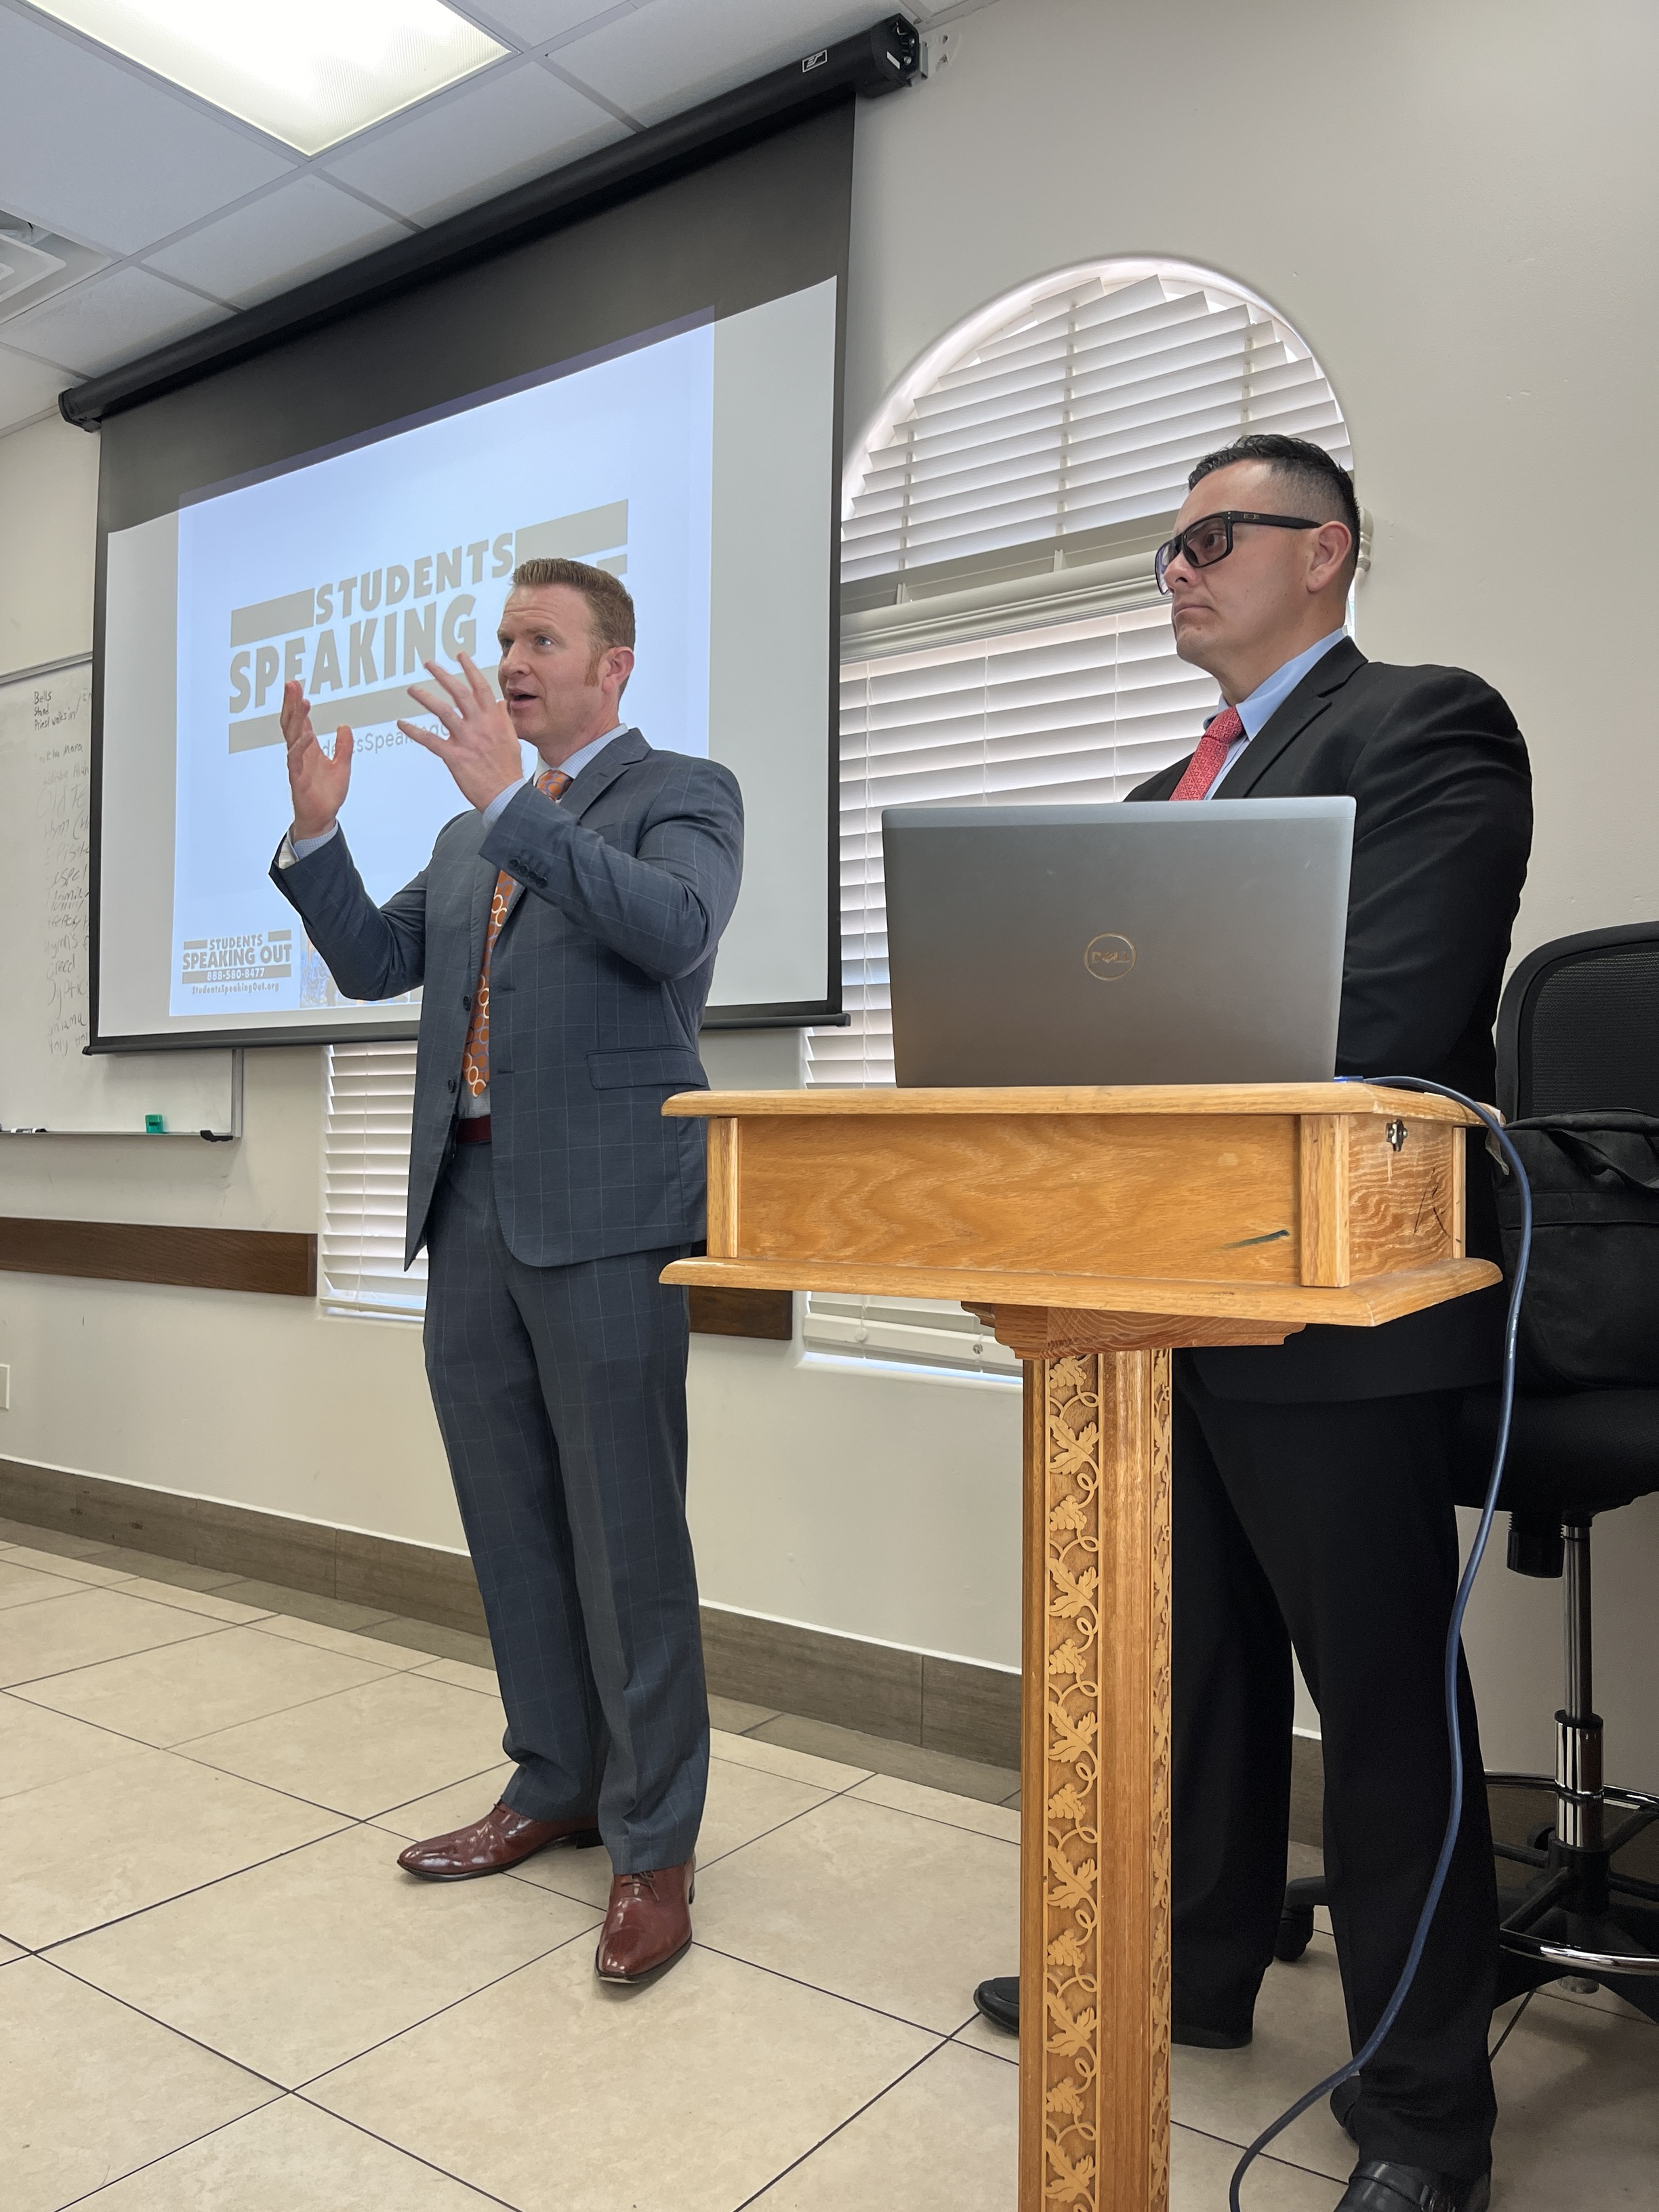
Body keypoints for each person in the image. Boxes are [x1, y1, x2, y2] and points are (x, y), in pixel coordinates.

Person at [972, 435, 1530, 2212]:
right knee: (1190, 1674)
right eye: (1168, 547)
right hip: (1152, 1298)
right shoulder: (1158, 801)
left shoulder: (1425, 727)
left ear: (1326, 550)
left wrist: (1134, 1061)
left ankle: (1425, 2113)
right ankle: (1194, 1974)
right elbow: (1090, 1047)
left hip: (1336, 1299)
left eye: (1216, 537)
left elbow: (1397, 1005)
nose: (1180, 568)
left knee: (1378, 1705)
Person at [273, 556, 743, 1985]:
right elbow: (377, 965)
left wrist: (512, 807)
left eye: (542, 639)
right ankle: (555, 1782)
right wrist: (317, 835)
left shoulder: (681, 792)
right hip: (467, 1202)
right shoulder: (472, 829)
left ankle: (654, 1844)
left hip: (605, 1213)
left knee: (626, 1534)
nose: (513, 660)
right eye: (503, 638)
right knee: (511, 1522)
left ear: (615, 665)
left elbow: (673, 929)